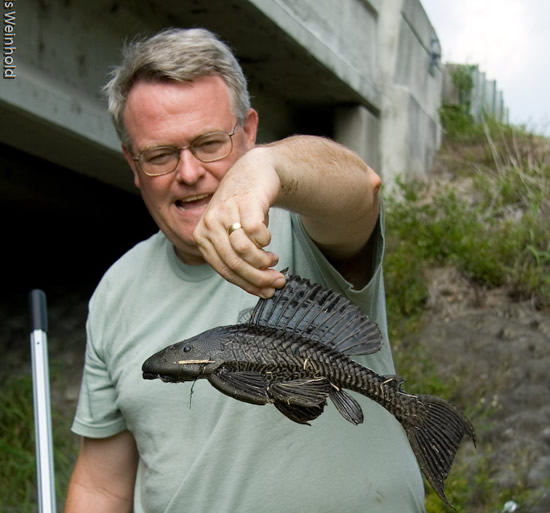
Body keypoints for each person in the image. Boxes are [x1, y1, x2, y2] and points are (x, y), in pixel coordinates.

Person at [64, 27, 426, 513]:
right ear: (132, 161)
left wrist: (270, 167)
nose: (189, 172)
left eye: (210, 143)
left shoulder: (307, 228)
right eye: (160, 155)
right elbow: (101, 487)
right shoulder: (115, 291)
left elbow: (360, 189)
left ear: (249, 131)